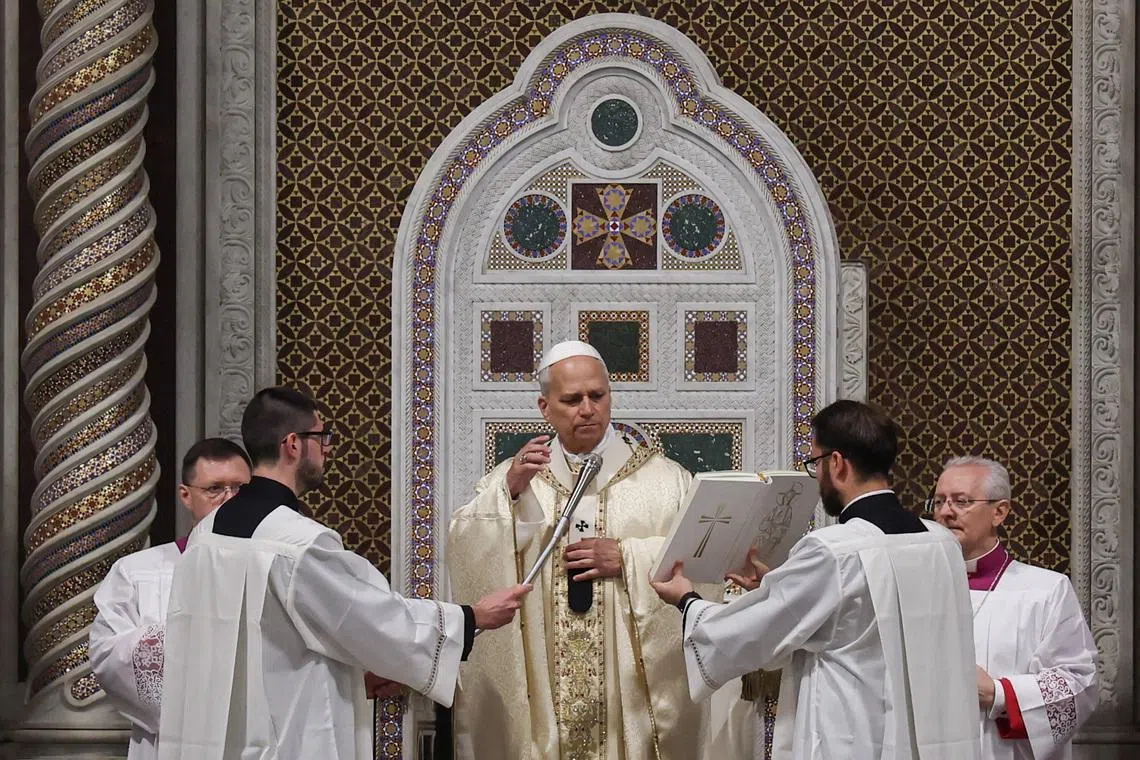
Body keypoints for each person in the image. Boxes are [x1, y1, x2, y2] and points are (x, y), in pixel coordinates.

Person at [157, 387, 530, 760]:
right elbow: (370, 618)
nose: (328, 448)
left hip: (212, 737)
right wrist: (471, 617)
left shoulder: (206, 534)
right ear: (293, 444)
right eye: (322, 437)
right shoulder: (296, 542)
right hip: (287, 739)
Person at [651, 399, 981, 760]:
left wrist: (687, 601)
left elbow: (747, 635)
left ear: (837, 463)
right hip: (933, 738)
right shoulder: (941, 542)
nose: (816, 474)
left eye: (815, 463)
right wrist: (779, 587)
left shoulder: (834, 551)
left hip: (856, 740)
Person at [447, 341, 719, 759]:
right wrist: (510, 495)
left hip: (628, 698)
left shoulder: (666, 481)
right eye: (572, 400)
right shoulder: (517, 479)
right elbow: (467, 546)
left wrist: (628, 556)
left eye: (598, 395)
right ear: (545, 407)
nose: (588, 409)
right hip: (544, 689)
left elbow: (703, 564)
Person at [89, 438, 252, 760]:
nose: (230, 499)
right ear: (186, 495)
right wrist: (196, 639)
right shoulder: (138, 571)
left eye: (240, 489)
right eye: (215, 489)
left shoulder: (275, 566)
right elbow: (108, 654)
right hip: (171, 743)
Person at [932, 456, 1098, 760]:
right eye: (939, 501)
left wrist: (999, 693)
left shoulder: (1046, 590)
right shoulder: (917, 587)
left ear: (1000, 512)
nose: (945, 512)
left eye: (961, 501)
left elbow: (1079, 684)